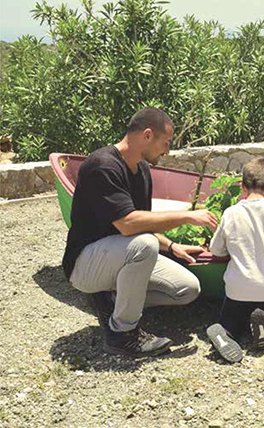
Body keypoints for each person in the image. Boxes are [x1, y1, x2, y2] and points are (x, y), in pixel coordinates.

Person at [62, 107, 218, 357]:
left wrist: (172, 247)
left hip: (121, 255)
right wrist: (187, 217)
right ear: (147, 135)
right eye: (165, 142)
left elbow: (144, 224)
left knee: (187, 289)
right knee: (144, 245)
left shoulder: (143, 171)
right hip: (85, 264)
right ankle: (122, 335)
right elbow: (128, 224)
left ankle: (111, 301)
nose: (167, 150)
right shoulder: (102, 166)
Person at [207, 157, 264, 363]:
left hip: (237, 287)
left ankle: (227, 332)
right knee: (263, 312)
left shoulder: (231, 213)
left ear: (242, 186)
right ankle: (259, 328)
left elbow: (216, 250)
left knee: (231, 317)